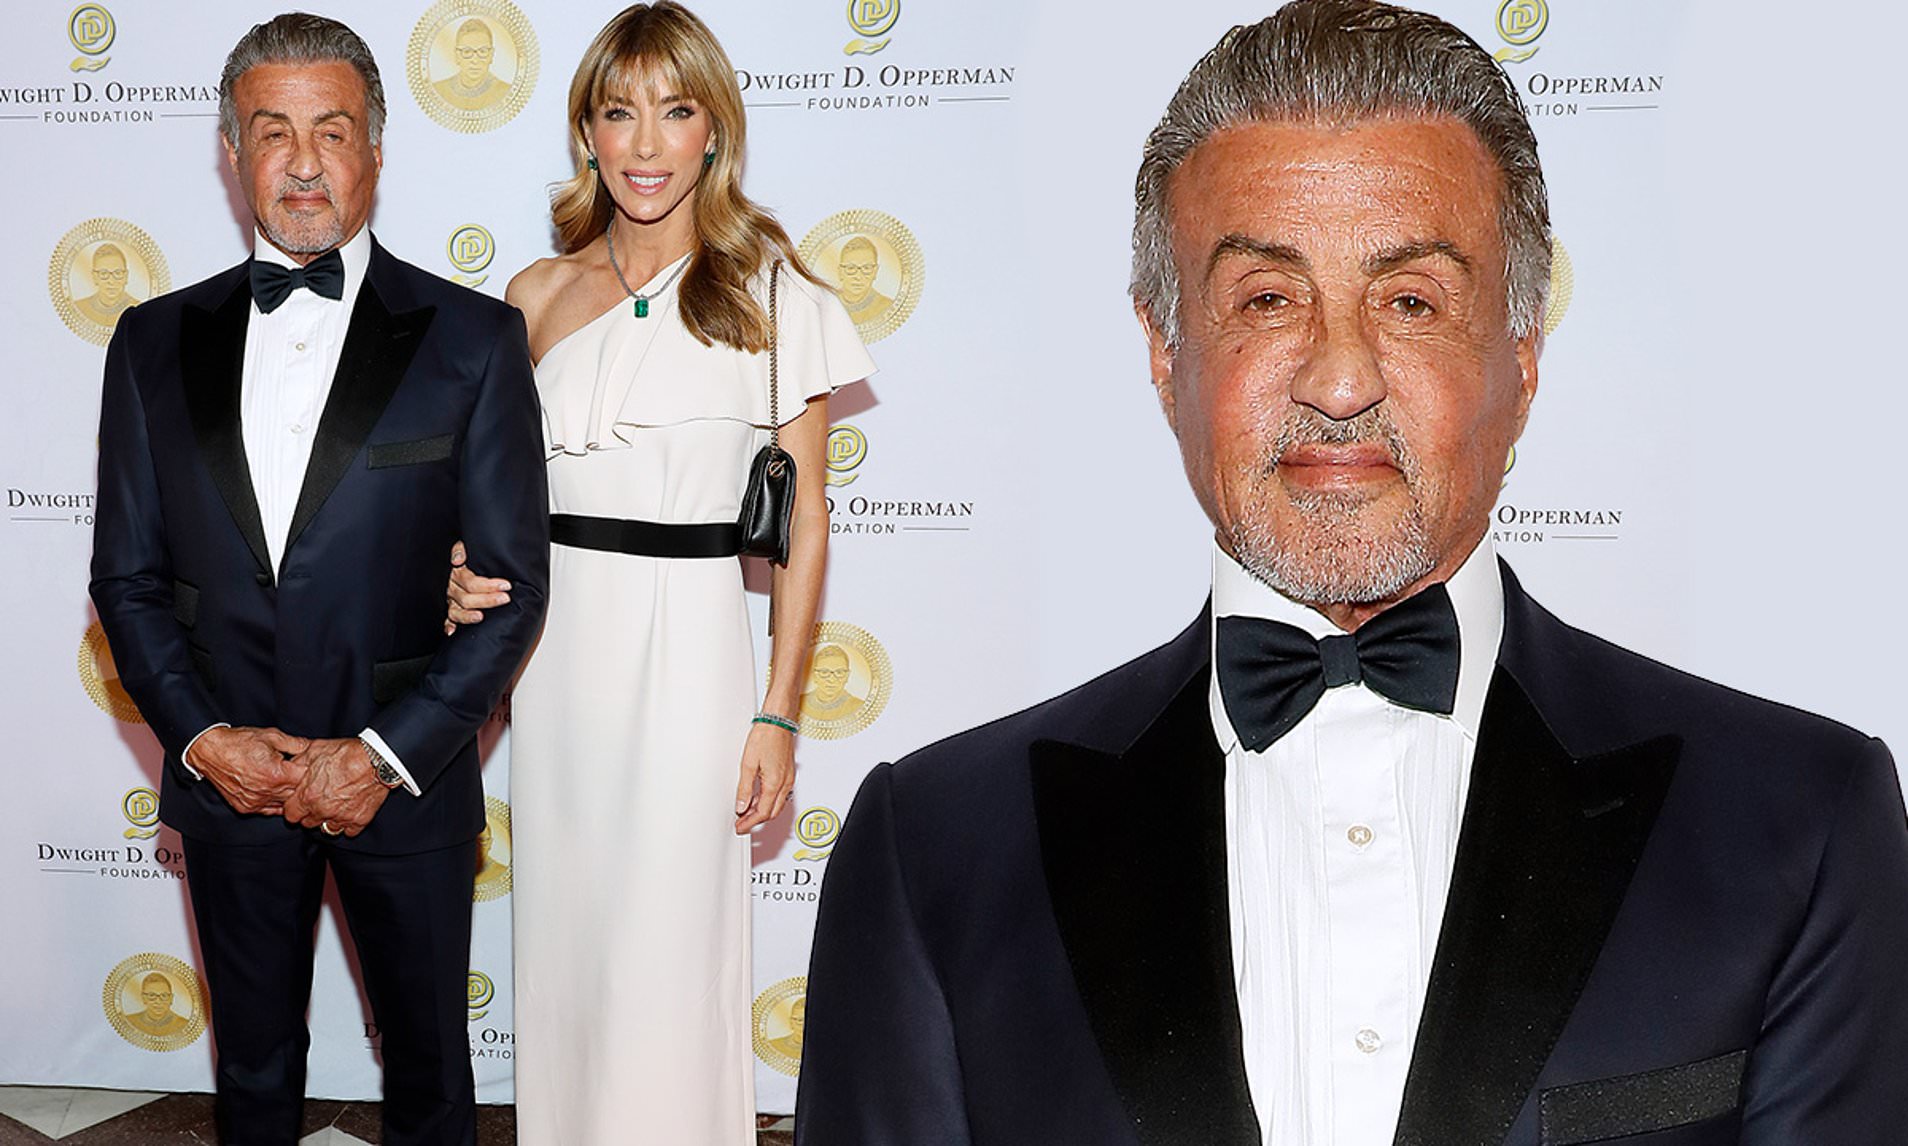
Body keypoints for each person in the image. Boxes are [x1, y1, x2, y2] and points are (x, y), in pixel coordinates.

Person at [795, 3, 1908, 1144]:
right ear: (1165, 354)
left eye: (1411, 301)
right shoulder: (934, 853)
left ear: (1522, 357)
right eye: (1267, 300)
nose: (1339, 380)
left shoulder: (1800, 824)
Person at [88, 13, 548, 1145]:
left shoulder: (474, 340)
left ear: (375, 150)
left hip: (406, 779)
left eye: (332, 132)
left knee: (431, 1077)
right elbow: (126, 579)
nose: (303, 163)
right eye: (273, 132)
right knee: (249, 1073)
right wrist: (205, 743)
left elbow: (512, 593)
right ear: (231, 151)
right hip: (226, 780)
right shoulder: (150, 341)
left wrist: (382, 756)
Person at [446, 3, 871, 1141]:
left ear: (712, 132)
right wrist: (459, 572)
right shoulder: (533, 297)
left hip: (690, 653)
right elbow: (489, 499)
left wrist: (778, 712)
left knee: (671, 953)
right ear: (586, 132)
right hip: (556, 658)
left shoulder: (776, 297)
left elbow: (805, 520)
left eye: (674, 112)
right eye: (618, 112)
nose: (645, 144)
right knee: (572, 947)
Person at [431, 18, 511, 111]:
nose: (475, 60)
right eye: (467, 51)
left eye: (482, 51)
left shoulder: (507, 94)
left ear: (491, 55)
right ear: (457, 55)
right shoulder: (437, 92)